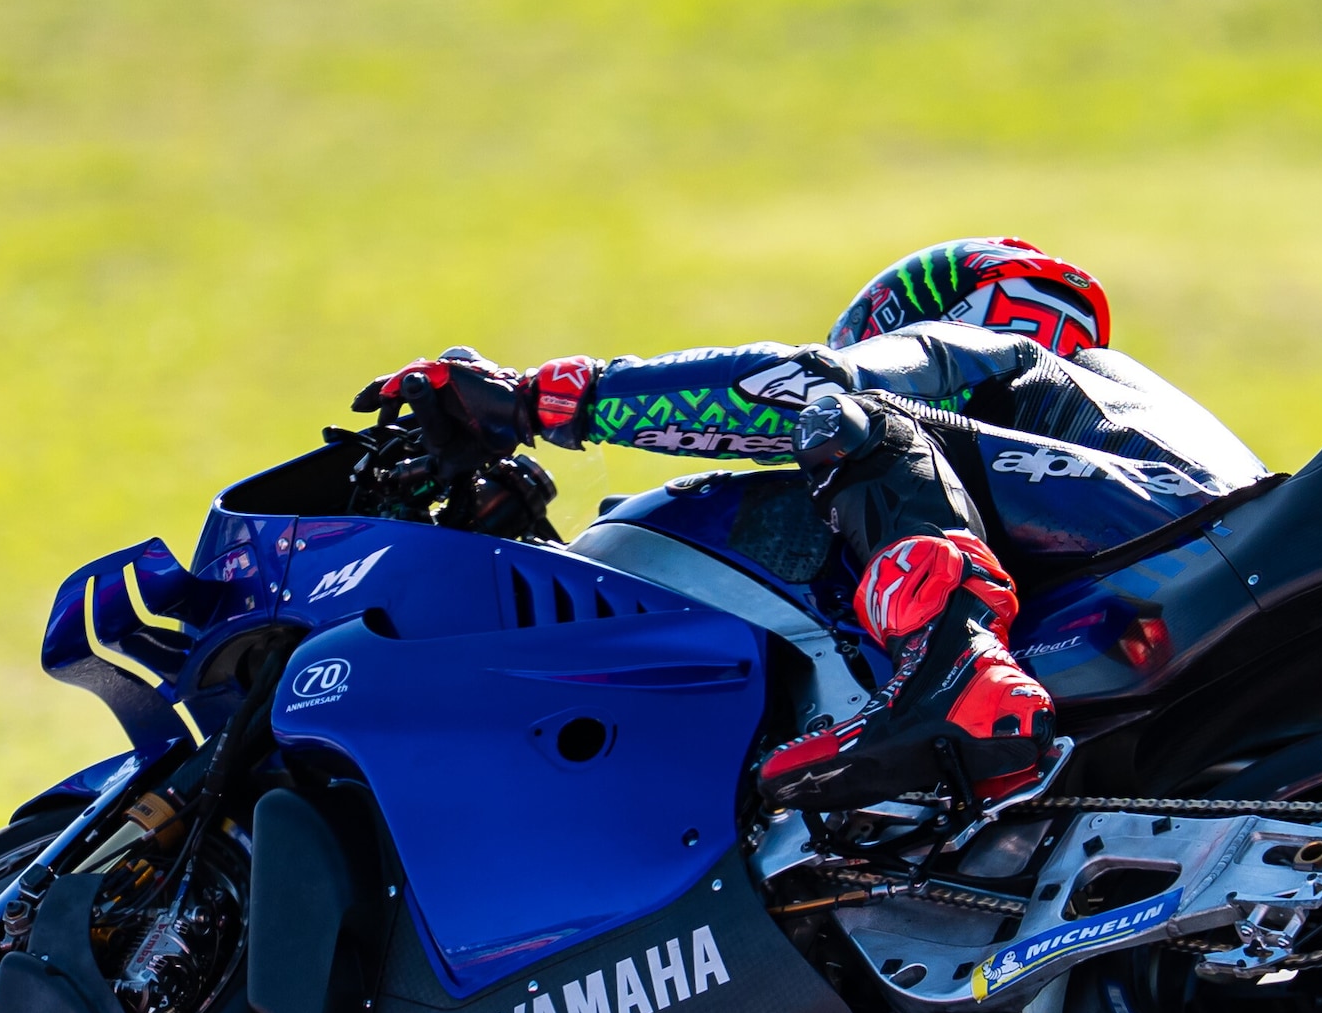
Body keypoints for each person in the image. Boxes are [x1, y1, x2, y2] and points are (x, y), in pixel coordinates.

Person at [354, 238, 1268, 810]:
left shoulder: (1004, 358)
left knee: (842, 414)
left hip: (1160, 534)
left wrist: (536, 404)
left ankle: (956, 668)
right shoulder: (1118, 414)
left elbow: (823, 388)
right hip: (1185, 589)